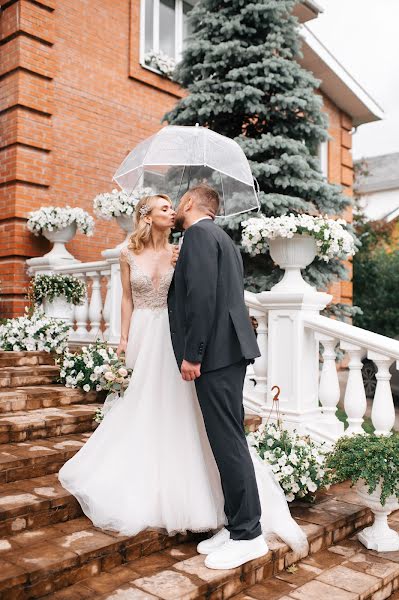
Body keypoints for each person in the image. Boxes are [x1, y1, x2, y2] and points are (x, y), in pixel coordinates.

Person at [57, 190, 308, 571]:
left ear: (191, 204)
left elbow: (205, 299)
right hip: (224, 353)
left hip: (216, 356)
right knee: (225, 441)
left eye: (179, 202)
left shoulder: (200, 236)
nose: (175, 207)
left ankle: (248, 535)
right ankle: (234, 522)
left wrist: (194, 354)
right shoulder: (215, 237)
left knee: (228, 442)